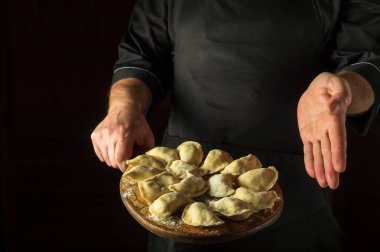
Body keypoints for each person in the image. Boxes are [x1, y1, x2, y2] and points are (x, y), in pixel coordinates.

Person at [91, 0, 380, 251]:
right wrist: (123, 106)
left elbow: (368, 62)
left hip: (294, 190)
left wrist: (344, 89)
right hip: (182, 193)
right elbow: (143, 55)